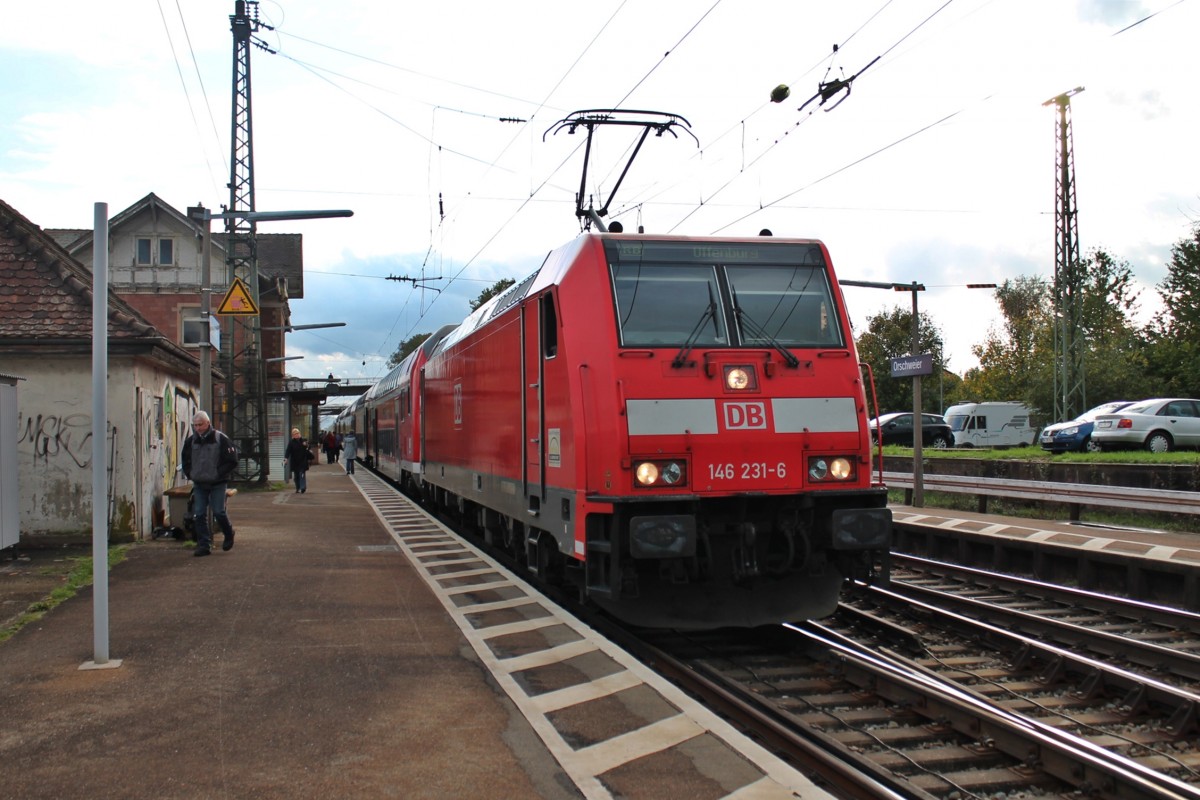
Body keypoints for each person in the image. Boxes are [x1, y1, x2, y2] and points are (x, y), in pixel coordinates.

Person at [180, 410, 238, 557]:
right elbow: (185, 460)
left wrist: (218, 474)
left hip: (217, 482)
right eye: (195, 425)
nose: (198, 428)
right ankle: (204, 544)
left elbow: (232, 460)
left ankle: (228, 532)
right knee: (199, 514)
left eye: (200, 425)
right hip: (199, 483)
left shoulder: (220, 439)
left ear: (208, 423)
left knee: (218, 511)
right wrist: (191, 474)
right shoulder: (191, 441)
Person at [284, 428, 312, 494]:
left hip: (302, 461)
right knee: (296, 476)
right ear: (293, 435)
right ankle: (298, 488)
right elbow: (288, 451)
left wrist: (306, 445)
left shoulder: (303, 440)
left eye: (297, 433)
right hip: (295, 461)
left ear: (299, 433)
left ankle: (302, 487)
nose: (296, 435)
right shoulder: (291, 442)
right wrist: (286, 458)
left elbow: (309, 447)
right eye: (295, 434)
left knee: (302, 474)